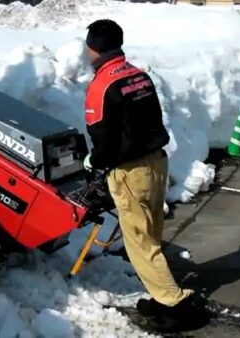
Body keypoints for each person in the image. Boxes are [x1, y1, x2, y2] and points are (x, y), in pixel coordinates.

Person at [82, 19, 204, 330]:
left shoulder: (101, 85)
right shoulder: (139, 75)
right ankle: (161, 294)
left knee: (139, 242)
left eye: (89, 45)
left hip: (131, 171)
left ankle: (174, 305)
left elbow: (102, 138)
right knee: (150, 234)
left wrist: (93, 162)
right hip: (156, 162)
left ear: (95, 47)